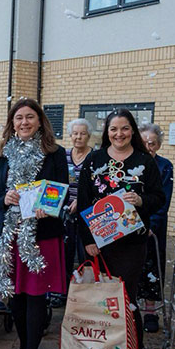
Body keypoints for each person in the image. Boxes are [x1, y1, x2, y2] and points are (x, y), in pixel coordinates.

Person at [0, 98, 68, 349]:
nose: (24, 122)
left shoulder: (55, 152)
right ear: (12, 122)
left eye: (30, 117)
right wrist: (2, 198)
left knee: (35, 296)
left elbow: (61, 190)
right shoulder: (2, 152)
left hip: (39, 235)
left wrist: (49, 205)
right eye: (19, 118)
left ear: (40, 120)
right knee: (15, 296)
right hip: (7, 233)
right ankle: (22, 348)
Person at [77, 110, 166, 349]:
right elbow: (83, 201)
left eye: (125, 128)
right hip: (99, 244)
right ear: (107, 132)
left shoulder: (144, 161)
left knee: (126, 299)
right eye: (114, 129)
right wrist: (87, 240)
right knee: (100, 300)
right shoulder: (94, 160)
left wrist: (141, 200)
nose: (119, 134)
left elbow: (159, 198)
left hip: (131, 245)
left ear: (132, 131)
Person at [138, 123, 174, 333]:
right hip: (129, 224)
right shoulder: (132, 163)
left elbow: (163, 200)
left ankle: (150, 312)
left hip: (153, 225)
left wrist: (151, 224)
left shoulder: (164, 166)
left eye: (152, 143)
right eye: (144, 143)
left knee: (152, 266)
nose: (148, 147)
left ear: (158, 145)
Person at [57, 118, 93, 308]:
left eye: (83, 133)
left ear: (89, 136)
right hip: (64, 212)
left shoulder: (94, 157)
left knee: (85, 254)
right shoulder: (63, 155)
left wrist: (81, 201)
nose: (78, 137)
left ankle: (84, 295)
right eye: (75, 133)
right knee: (64, 253)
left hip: (87, 213)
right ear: (70, 135)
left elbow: (97, 186)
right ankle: (62, 292)